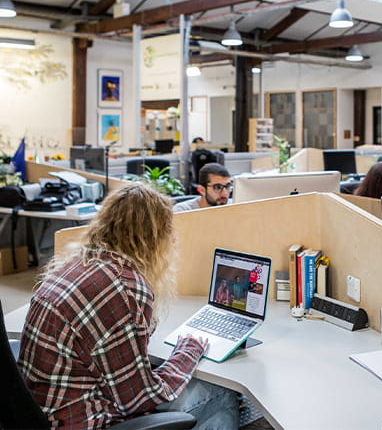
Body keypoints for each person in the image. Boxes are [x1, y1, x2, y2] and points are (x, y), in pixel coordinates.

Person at [18, 182, 239, 429]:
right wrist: (188, 350)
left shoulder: (75, 265)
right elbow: (137, 399)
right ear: (156, 237)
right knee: (221, 393)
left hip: (40, 410)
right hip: (81, 420)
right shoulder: (124, 288)